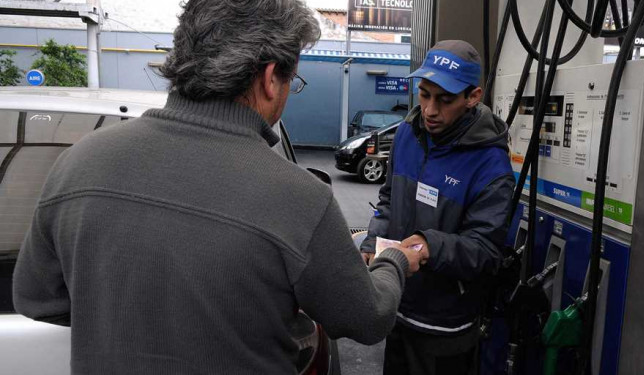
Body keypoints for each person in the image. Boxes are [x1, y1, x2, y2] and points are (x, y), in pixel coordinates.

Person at [12, 0, 426, 374]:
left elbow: (35, 297)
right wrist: (393, 262)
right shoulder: (298, 197)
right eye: (292, 81)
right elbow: (366, 319)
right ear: (269, 78)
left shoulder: (80, 161)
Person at [360, 40, 515, 375]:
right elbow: (387, 200)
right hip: (397, 306)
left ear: (472, 97)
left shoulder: (491, 165)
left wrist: (429, 246)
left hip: (445, 329)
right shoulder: (407, 134)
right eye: (424, 94)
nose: (430, 110)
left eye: (444, 100)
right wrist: (373, 242)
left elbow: (486, 251)